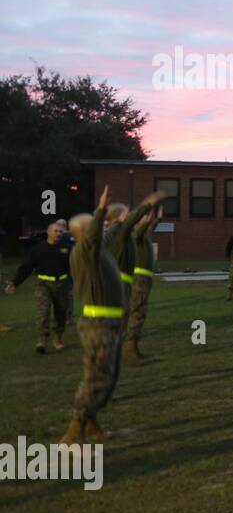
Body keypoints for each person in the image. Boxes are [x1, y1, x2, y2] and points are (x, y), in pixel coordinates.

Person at [61, 186, 163, 444]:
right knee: (96, 376)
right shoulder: (85, 252)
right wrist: (101, 209)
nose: (102, 230)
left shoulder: (99, 251)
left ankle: (91, 422)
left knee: (109, 376)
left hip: (109, 322)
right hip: (98, 324)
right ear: (86, 233)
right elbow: (103, 232)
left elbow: (119, 230)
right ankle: (74, 430)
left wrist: (133, 215)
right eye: (95, 227)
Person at [5, 221, 73, 354]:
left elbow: (75, 266)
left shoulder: (67, 248)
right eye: (55, 231)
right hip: (43, 285)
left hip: (62, 285)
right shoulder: (38, 249)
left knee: (61, 314)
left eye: (61, 232)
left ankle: (58, 337)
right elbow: (26, 268)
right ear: (48, 232)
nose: (58, 233)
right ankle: (41, 340)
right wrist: (14, 283)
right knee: (43, 313)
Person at [124, 205, 162, 363]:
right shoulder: (134, 233)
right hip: (139, 278)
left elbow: (149, 227)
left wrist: (156, 218)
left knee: (139, 311)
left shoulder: (144, 233)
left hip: (144, 278)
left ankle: (132, 346)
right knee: (137, 312)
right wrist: (146, 221)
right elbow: (139, 231)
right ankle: (130, 348)